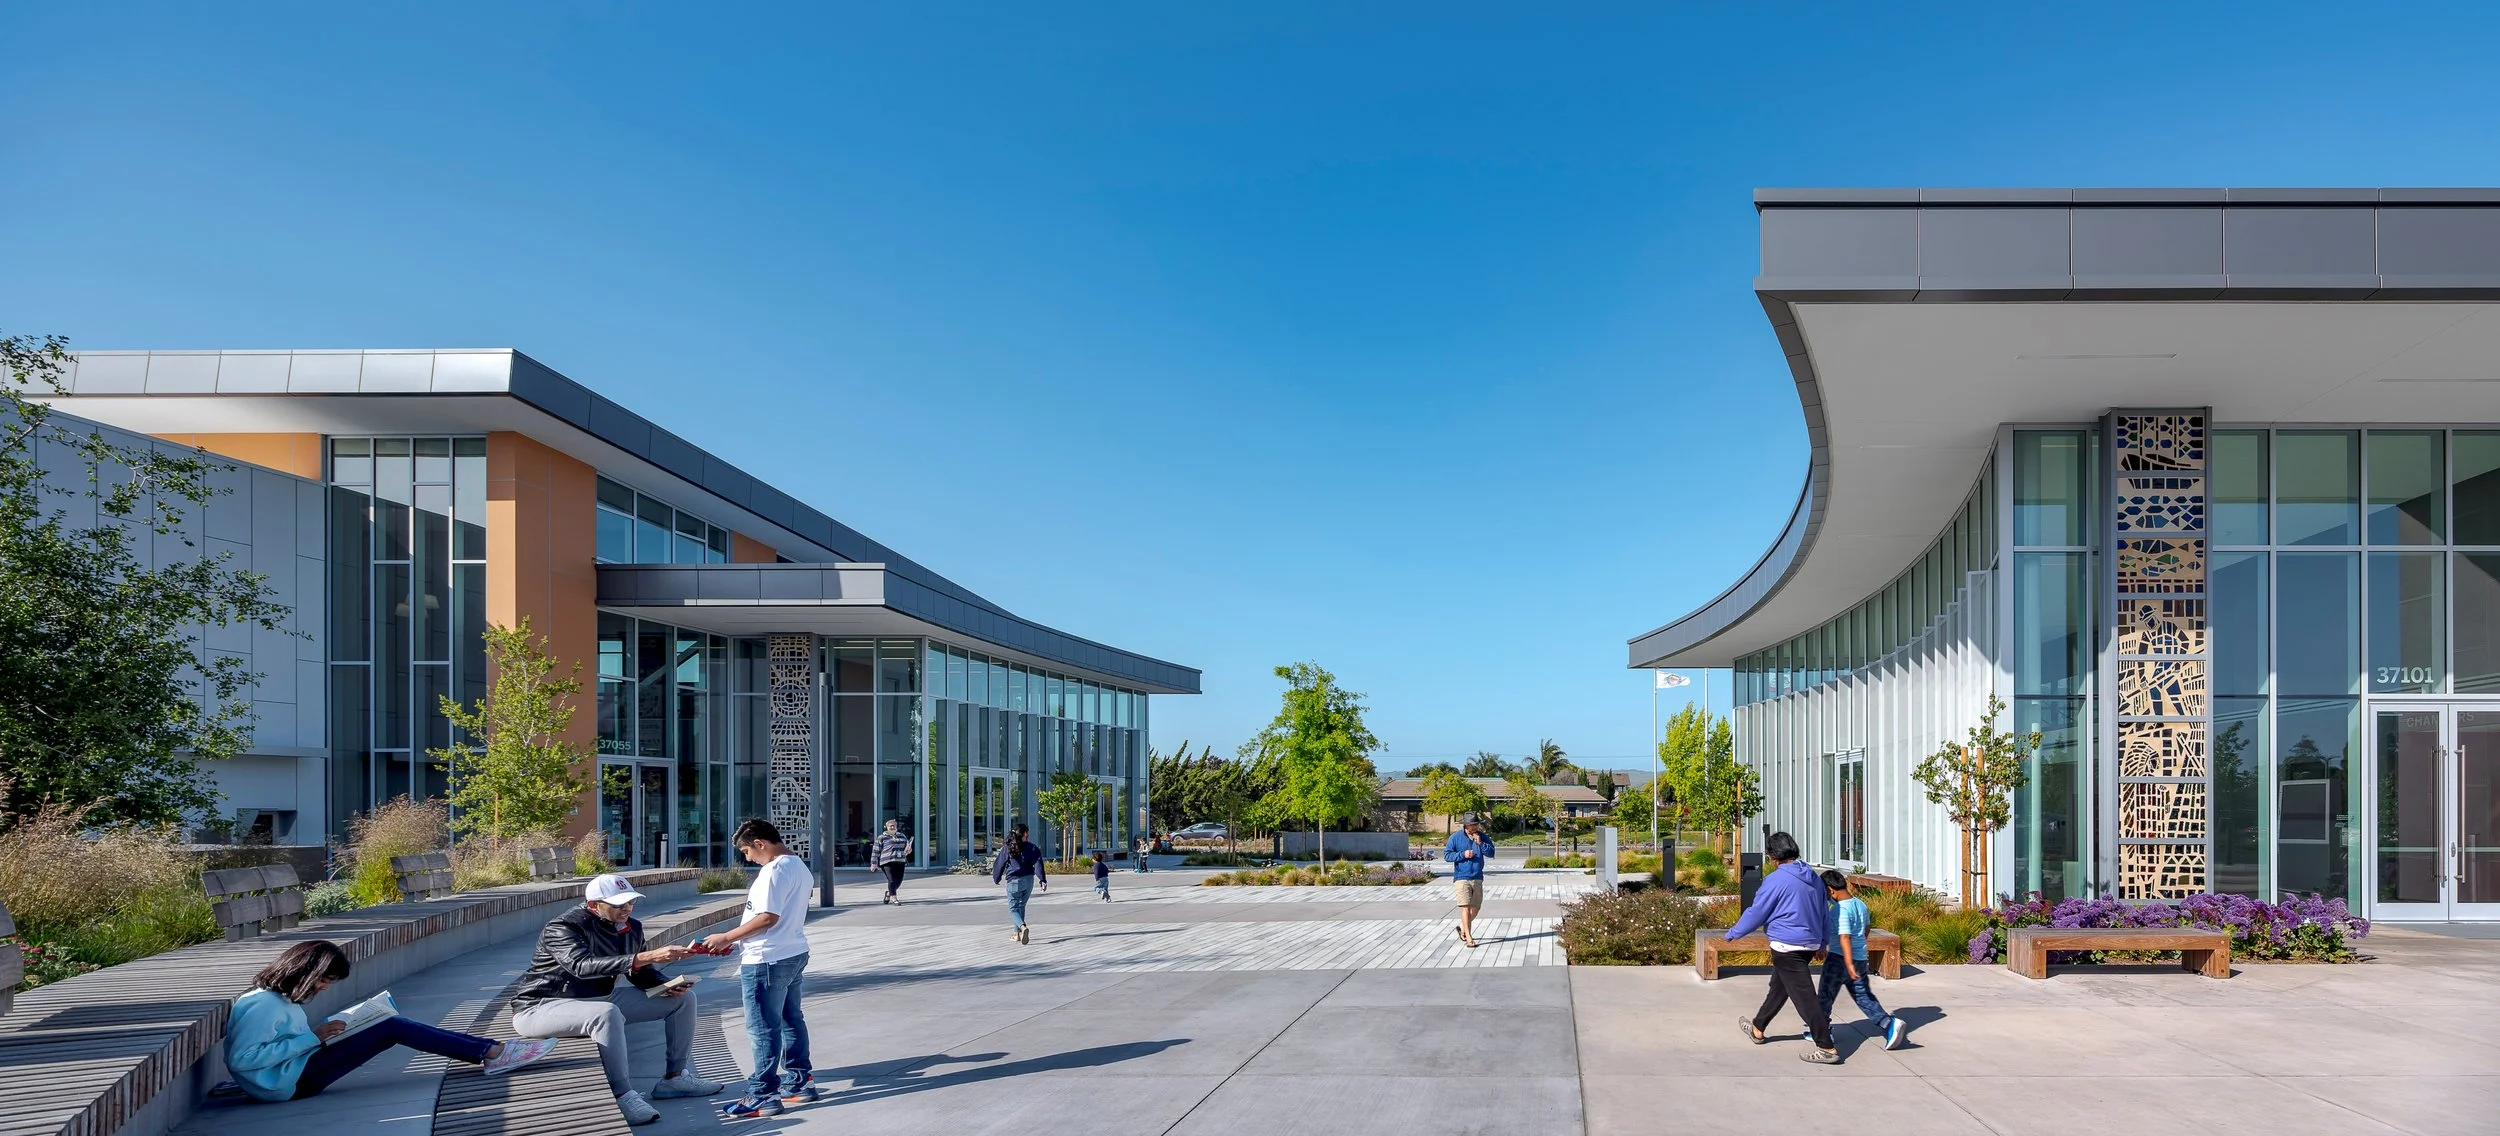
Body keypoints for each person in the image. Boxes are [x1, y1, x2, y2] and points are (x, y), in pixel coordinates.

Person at [509, 874, 726, 1124]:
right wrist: (646, 957)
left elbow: (639, 974)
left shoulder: (631, 927)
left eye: (631, 902)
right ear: (593, 905)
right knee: (606, 1012)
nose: (627, 909)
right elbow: (581, 966)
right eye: (618, 904)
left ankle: (675, 1079)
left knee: (683, 1000)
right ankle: (622, 1094)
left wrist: (665, 985)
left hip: (602, 997)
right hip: (542, 1006)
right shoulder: (563, 928)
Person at [222, 940, 555, 1102]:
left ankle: (489, 1051)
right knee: (392, 1028)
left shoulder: (278, 999)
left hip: (292, 1073)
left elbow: (268, 1048)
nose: (324, 987)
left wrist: (322, 1034)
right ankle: (492, 1053)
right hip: (289, 1086)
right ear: (304, 971)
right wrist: (315, 1037)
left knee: (381, 1024)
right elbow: (241, 1058)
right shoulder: (264, 1004)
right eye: (325, 979)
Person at [698, 819, 818, 1119]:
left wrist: (726, 936)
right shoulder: (799, 866)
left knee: (763, 1029)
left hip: (766, 960)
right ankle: (799, 1082)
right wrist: (736, 941)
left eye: (746, 851)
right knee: (791, 1019)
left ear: (760, 844)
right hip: (792, 952)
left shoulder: (773, 871)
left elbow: (767, 918)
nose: (747, 858)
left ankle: (763, 1096)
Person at [1725, 831, 1839, 1064]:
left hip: (1787, 945)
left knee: (1804, 996)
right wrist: (1823, 942)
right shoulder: (1815, 878)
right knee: (1780, 987)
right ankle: (1758, 1027)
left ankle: (1826, 1046)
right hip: (1809, 943)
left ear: (1773, 857)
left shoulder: (1776, 880)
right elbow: (1823, 913)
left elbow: (1757, 912)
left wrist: (1734, 933)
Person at [1817, 869, 1907, 1050]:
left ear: (1830, 891)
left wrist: (1847, 963)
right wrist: (1857, 955)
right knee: (1863, 997)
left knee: (1825, 996)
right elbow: (1867, 928)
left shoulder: (1839, 910)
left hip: (1839, 959)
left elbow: (1844, 937)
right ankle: (1889, 1024)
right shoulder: (1860, 904)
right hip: (1859, 957)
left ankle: (1822, 1031)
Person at [1443, 815, 1495, 948]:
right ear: (1466, 825)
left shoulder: (1482, 836)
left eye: (1477, 824)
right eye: (1473, 825)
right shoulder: (1455, 838)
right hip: (1461, 877)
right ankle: (1469, 938)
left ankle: (1462, 927)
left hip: (1477, 876)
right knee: (1465, 907)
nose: (1476, 827)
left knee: (1476, 908)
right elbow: (1447, 855)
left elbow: (1491, 853)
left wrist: (1481, 844)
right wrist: (1462, 855)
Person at [991, 822, 1048, 944]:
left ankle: (1023, 927)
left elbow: (1000, 863)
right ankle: (1016, 934)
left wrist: (996, 878)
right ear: (1025, 834)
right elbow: (1038, 864)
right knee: (1021, 906)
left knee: (1013, 909)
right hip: (1028, 881)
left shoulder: (1008, 847)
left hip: (1014, 882)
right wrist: (1042, 880)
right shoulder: (1032, 848)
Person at [870, 819, 913, 905]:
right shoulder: (881, 837)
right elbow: (875, 851)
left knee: (899, 881)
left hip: (900, 861)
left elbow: (907, 848)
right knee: (892, 880)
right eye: (891, 826)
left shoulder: (902, 836)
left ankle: (889, 893)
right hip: (887, 861)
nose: (893, 827)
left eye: (894, 826)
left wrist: (909, 850)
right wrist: (873, 863)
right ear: (887, 827)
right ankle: (894, 898)